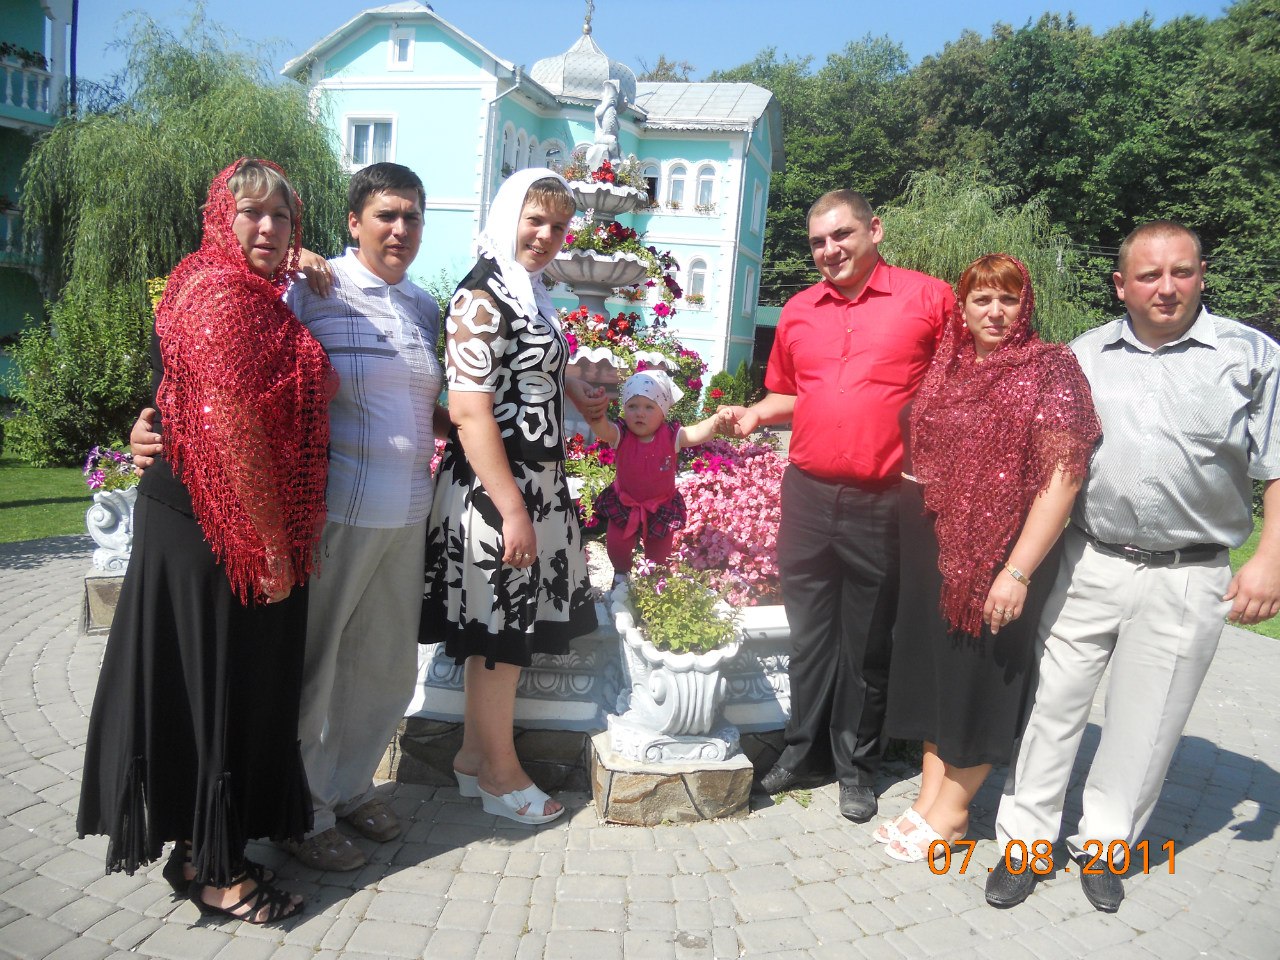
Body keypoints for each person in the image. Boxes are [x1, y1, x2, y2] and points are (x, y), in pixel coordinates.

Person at [131, 162, 450, 873]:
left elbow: (417, 402)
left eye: (412, 217)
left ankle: (348, 786)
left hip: (407, 512)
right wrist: (150, 420)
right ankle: (299, 812)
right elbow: (208, 364)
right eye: (386, 215)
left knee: (384, 670)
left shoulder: (424, 307)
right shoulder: (310, 289)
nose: (400, 229)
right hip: (333, 509)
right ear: (353, 223)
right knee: (312, 674)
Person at [985, 221, 1280, 913]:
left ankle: (1105, 847)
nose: (1166, 287)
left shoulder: (1252, 357)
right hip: (1090, 559)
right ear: (1122, 285)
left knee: (1146, 723)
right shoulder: (1083, 357)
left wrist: (1269, 559)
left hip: (1190, 572)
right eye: (1149, 275)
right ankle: (1025, 845)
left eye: (1181, 271)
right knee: (1053, 707)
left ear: (1201, 274)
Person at [78, 158, 334, 924]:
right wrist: (271, 544)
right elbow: (234, 432)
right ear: (221, 219)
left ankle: (203, 852)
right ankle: (217, 873)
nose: (267, 227)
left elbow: (179, 395)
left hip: (217, 524)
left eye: (281, 216)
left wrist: (308, 264)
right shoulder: (222, 297)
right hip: (218, 533)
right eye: (251, 213)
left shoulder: (228, 288)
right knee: (219, 690)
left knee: (220, 689)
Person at [721, 189, 953, 822]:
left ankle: (856, 766)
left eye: (842, 235)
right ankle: (804, 754)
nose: (830, 250)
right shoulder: (799, 310)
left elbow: (962, 385)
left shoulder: (928, 298)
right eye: (818, 242)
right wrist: (754, 413)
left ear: (875, 230)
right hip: (807, 493)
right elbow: (790, 395)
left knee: (867, 642)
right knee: (810, 636)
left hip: (883, 498)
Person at [879, 254, 1099, 863]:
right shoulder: (948, 363)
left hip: (1000, 549)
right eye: (982, 299)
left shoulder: (1051, 367)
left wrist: (1017, 571)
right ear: (963, 307)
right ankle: (929, 799)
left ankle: (952, 814)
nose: (995, 312)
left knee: (979, 675)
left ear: (1025, 306)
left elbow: (1062, 475)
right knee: (939, 673)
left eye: (1008, 299)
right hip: (934, 542)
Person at [421, 168, 604, 825]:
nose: (547, 235)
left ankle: (475, 758)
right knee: (500, 631)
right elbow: (469, 412)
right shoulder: (481, 296)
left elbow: (528, 377)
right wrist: (514, 509)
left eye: (558, 225)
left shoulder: (524, 290)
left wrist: (580, 391)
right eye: (535, 220)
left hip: (533, 483)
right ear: (507, 219)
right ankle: (501, 775)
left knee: (500, 629)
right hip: (497, 489)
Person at [587, 369, 732, 583]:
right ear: (624, 409)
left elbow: (697, 432)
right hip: (625, 502)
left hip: (661, 506)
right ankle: (621, 576)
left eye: (649, 407)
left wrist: (715, 421)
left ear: (663, 412)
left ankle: (654, 582)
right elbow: (603, 430)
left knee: (659, 553)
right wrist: (596, 414)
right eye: (632, 406)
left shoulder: (672, 435)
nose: (640, 413)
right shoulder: (621, 433)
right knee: (617, 545)